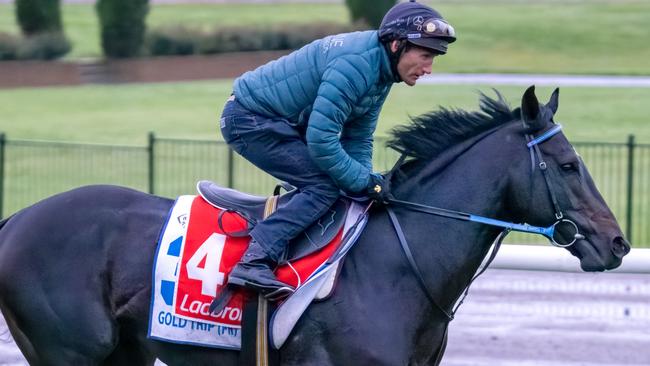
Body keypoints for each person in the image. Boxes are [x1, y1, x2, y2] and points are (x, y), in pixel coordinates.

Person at [219, 0, 456, 298]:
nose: (429, 69)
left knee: (343, 187)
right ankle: (253, 260)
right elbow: (322, 141)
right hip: (250, 120)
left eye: (433, 58)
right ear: (397, 45)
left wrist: (367, 183)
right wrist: (363, 182)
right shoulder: (357, 64)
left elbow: (359, 136)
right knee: (323, 187)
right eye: (425, 56)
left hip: (279, 122)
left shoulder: (382, 70)